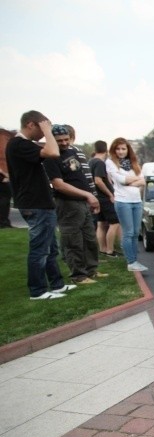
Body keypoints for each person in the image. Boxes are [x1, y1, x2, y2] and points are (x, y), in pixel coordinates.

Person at [5, 111, 75, 299]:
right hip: (34, 204)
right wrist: (48, 130)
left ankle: (57, 285)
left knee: (51, 248)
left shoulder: (24, 145)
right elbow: (53, 152)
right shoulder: (19, 144)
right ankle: (38, 290)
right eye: (42, 129)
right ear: (31, 125)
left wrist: (46, 129)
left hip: (41, 203)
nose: (44, 135)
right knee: (40, 249)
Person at [44, 124, 103, 285]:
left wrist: (90, 196)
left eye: (66, 139)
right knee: (72, 241)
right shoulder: (51, 157)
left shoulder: (72, 152)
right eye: (59, 141)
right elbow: (58, 184)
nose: (63, 143)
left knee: (89, 239)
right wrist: (87, 195)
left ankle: (92, 270)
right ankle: (78, 275)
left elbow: (81, 175)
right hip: (67, 203)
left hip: (83, 203)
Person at [106, 137, 148, 272]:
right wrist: (133, 180)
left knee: (136, 232)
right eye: (118, 149)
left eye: (123, 148)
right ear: (113, 150)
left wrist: (130, 181)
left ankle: (134, 260)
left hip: (136, 200)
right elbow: (121, 180)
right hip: (123, 201)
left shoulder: (134, 162)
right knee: (128, 233)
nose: (120, 151)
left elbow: (143, 182)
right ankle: (131, 262)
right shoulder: (110, 162)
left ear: (128, 149)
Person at [89, 141, 121, 257]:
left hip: (96, 197)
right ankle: (110, 250)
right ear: (106, 150)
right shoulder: (99, 163)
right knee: (115, 223)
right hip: (104, 198)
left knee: (101, 223)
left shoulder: (90, 161)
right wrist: (110, 194)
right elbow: (98, 180)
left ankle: (102, 249)